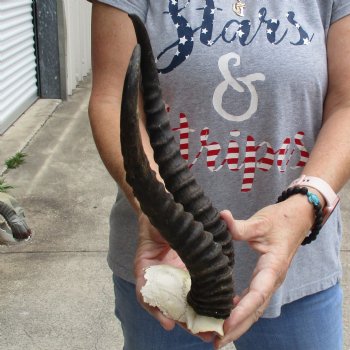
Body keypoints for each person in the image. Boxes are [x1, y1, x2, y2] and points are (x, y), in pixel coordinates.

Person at [87, 1, 350, 349]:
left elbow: (346, 104)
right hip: (168, 262)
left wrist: (305, 207)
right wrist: (159, 216)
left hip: (297, 265)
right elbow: (112, 98)